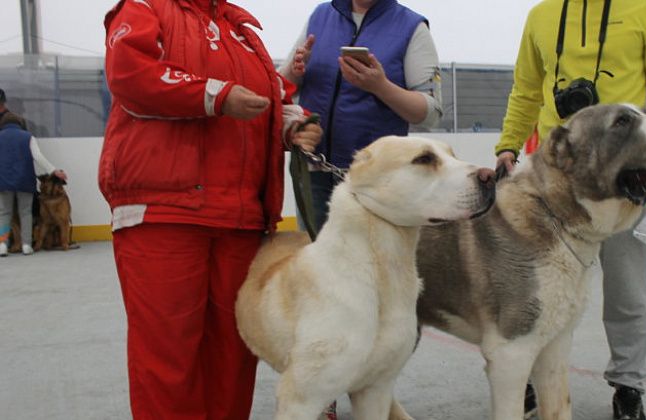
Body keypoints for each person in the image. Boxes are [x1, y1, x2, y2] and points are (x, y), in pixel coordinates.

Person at [100, 1, 321, 418]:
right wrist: (215, 95)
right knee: (168, 355)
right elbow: (129, 73)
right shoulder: (146, 7)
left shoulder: (241, 32)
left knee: (234, 355)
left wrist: (292, 123)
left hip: (240, 218)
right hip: (164, 213)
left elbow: (270, 95)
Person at [494, 1, 646, 419]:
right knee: (536, 290)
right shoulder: (541, 14)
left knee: (627, 290)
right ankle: (529, 380)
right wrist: (508, 145)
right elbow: (527, 88)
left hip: (625, 172)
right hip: (555, 179)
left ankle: (628, 385)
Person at [281, 0, 443, 233]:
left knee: (371, 264)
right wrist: (295, 70)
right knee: (314, 263)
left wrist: (380, 86)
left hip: (376, 179)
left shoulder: (412, 27)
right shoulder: (320, 15)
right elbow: (283, 85)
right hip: (312, 171)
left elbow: (430, 112)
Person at [0, 99, 67, 257]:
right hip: (24, 181)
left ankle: (2, 244)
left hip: (3, 181)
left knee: (4, 213)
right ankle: (26, 245)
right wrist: (55, 171)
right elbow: (38, 157)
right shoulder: (28, 136)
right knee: (25, 213)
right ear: (20, 124)